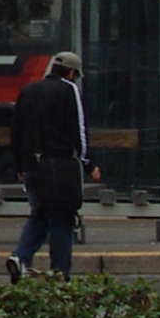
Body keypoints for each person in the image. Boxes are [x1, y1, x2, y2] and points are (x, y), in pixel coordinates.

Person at [7, 50, 96, 280]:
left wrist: (19, 164)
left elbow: (15, 131)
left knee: (40, 213)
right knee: (62, 216)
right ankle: (60, 273)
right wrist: (89, 164)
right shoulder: (69, 90)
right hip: (57, 165)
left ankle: (21, 258)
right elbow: (80, 131)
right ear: (71, 72)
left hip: (30, 166)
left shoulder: (28, 90)